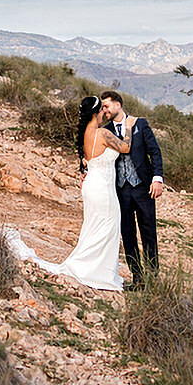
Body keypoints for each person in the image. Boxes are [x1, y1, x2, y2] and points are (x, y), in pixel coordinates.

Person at [57, 93, 129, 290]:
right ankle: (96, 272)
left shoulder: (84, 135)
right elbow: (125, 147)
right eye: (101, 111)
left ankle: (95, 268)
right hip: (103, 188)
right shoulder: (103, 134)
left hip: (92, 185)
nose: (103, 113)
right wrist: (128, 125)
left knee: (94, 226)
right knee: (107, 226)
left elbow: (86, 161)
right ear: (95, 113)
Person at [100, 89, 163, 279]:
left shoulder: (140, 124)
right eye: (103, 107)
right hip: (120, 191)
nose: (105, 111)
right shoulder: (106, 131)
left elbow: (155, 152)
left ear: (117, 104)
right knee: (127, 235)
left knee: (148, 233)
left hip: (143, 188)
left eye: (107, 106)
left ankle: (153, 277)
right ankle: (137, 277)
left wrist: (157, 178)